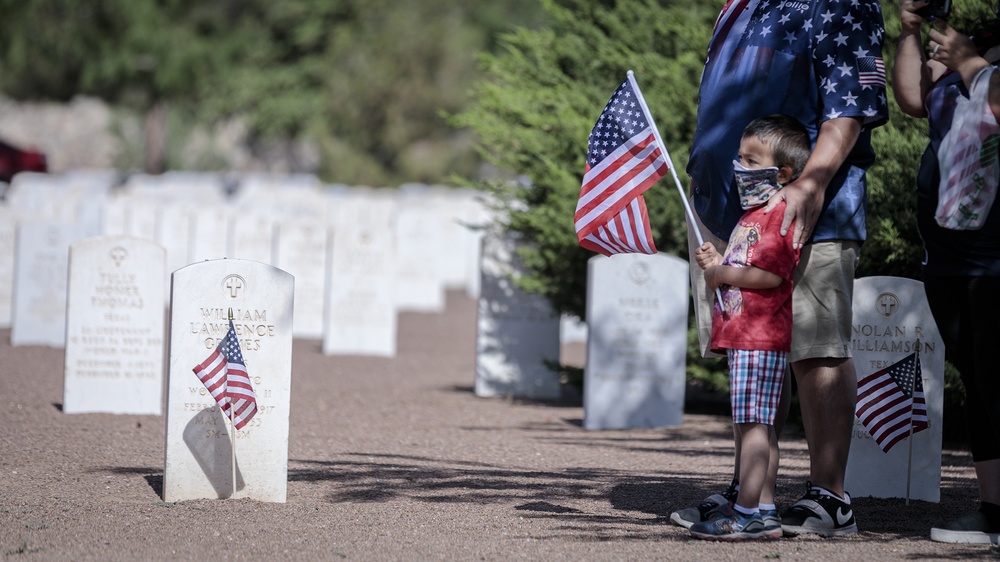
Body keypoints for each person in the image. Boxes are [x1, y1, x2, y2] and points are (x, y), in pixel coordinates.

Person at [672, 0, 889, 537]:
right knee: (752, 351)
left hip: (806, 215)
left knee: (816, 347)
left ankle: (828, 498)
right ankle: (752, 491)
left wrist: (810, 181)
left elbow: (851, 104)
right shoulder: (737, 7)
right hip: (726, 217)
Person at [893, 1, 1000, 545]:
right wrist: (911, 30)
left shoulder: (978, 55)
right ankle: (993, 510)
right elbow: (914, 98)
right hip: (950, 254)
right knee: (979, 379)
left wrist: (969, 62)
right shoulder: (977, 38)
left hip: (995, 255)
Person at [688, 115, 809, 541]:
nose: (739, 165)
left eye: (750, 158)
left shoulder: (777, 216)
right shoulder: (752, 217)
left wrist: (723, 272)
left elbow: (771, 278)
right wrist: (714, 267)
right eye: (739, 157)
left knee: (753, 427)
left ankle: (745, 513)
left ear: (783, 174)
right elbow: (737, 270)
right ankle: (764, 508)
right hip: (746, 337)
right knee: (756, 426)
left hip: (760, 337)